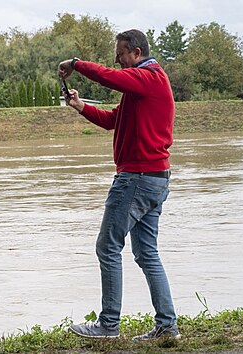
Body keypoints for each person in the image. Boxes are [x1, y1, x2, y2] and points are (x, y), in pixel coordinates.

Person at [58, 29, 180, 341]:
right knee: (146, 253)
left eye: (121, 54)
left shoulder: (149, 77)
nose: (117, 60)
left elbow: (108, 77)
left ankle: (108, 325)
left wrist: (77, 63)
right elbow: (113, 120)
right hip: (153, 178)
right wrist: (80, 106)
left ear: (136, 53)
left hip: (137, 179)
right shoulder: (142, 86)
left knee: (107, 246)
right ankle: (167, 326)